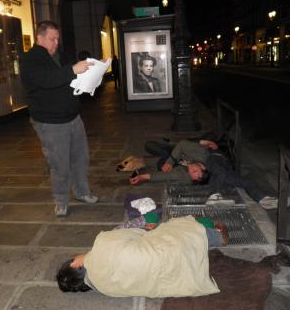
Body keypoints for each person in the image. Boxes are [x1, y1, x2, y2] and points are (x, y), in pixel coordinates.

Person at [20, 21, 98, 217]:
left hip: (73, 117)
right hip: (51, 122)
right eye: (51, 39)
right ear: (39, 37)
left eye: (57, 39)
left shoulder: (60, 56)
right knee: (60, 164)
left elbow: (70, 79)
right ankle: (61, 201)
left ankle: (82, 192)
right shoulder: (30, 59)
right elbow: (47, 80)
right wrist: (73, 69)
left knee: (81, 158)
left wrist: (92, 74)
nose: (55, 43)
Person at [56, 216, 226, 297]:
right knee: (175, 224)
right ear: (75, 265)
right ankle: (215, 235)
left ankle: (206, 241)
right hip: (170, 251)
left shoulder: (104, 289)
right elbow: (141, 231)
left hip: (175, 275)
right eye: (73, 258)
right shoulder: (101, 242)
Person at [131, 139, 283, 209]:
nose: (190, 170)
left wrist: (142, 177)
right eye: (194, 172)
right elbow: (182, 146)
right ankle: (214, 196)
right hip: (203, 156)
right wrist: (169, 162)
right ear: (204, 169)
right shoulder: (201, 158)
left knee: (242, 181)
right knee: (152, 145)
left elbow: (166, 174)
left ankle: (263, 199)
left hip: (207, 159)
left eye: (193, 172)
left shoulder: (196, 163)